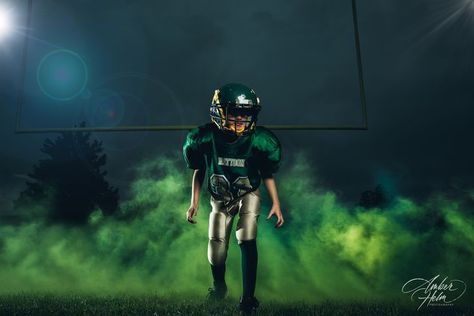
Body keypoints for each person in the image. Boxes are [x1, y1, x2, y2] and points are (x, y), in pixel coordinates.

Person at [183, 83, 284, 313]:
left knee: (247, 237)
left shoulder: (260, 140)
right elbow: (199, 169)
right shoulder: (204, 138)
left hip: (247, 193)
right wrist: (194, 202)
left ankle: (248, 298)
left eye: (245, 113)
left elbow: (267, 173)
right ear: (219, 111)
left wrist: (276, 203)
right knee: (216, 250)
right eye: (235, 112)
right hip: (219, 198)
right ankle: (219, 287)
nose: (240, 118)